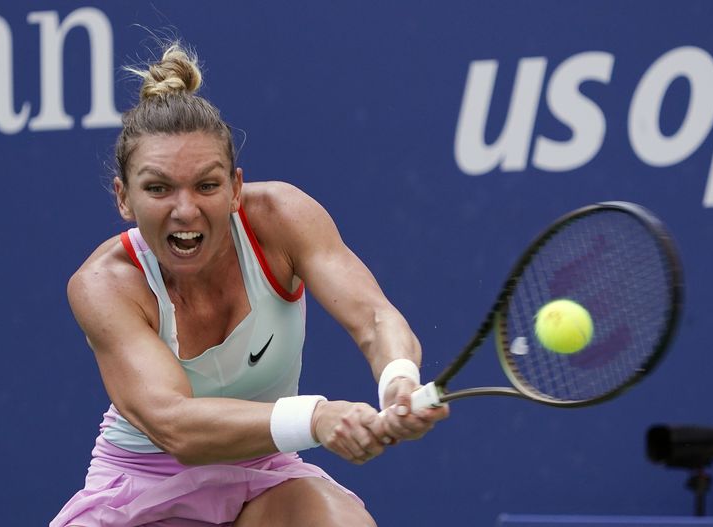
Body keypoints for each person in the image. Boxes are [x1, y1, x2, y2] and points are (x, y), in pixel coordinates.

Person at [51, 42, 448, 527]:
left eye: (207, 185)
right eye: (158, 188)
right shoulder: (103, 285)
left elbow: (375, 317)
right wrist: (317, 418)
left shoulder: (281, 218)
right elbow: (177, 425)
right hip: (143, 486)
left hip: (264, 470)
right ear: (124, 198)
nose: (185, 210)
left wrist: (398, 378)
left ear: (236, 187)